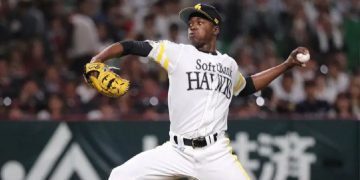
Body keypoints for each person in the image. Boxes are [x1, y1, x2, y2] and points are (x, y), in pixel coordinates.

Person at [88, 3, 309, 180]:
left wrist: (287, 65)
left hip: (215, 153)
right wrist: (98, 59)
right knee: (119, 176)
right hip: (176, 150)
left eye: (199, 22)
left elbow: (247, 87)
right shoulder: (177, 53)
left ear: (215, 29)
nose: (192, 26)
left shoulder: (228, 64)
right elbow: (132, 46)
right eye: (190, 23)